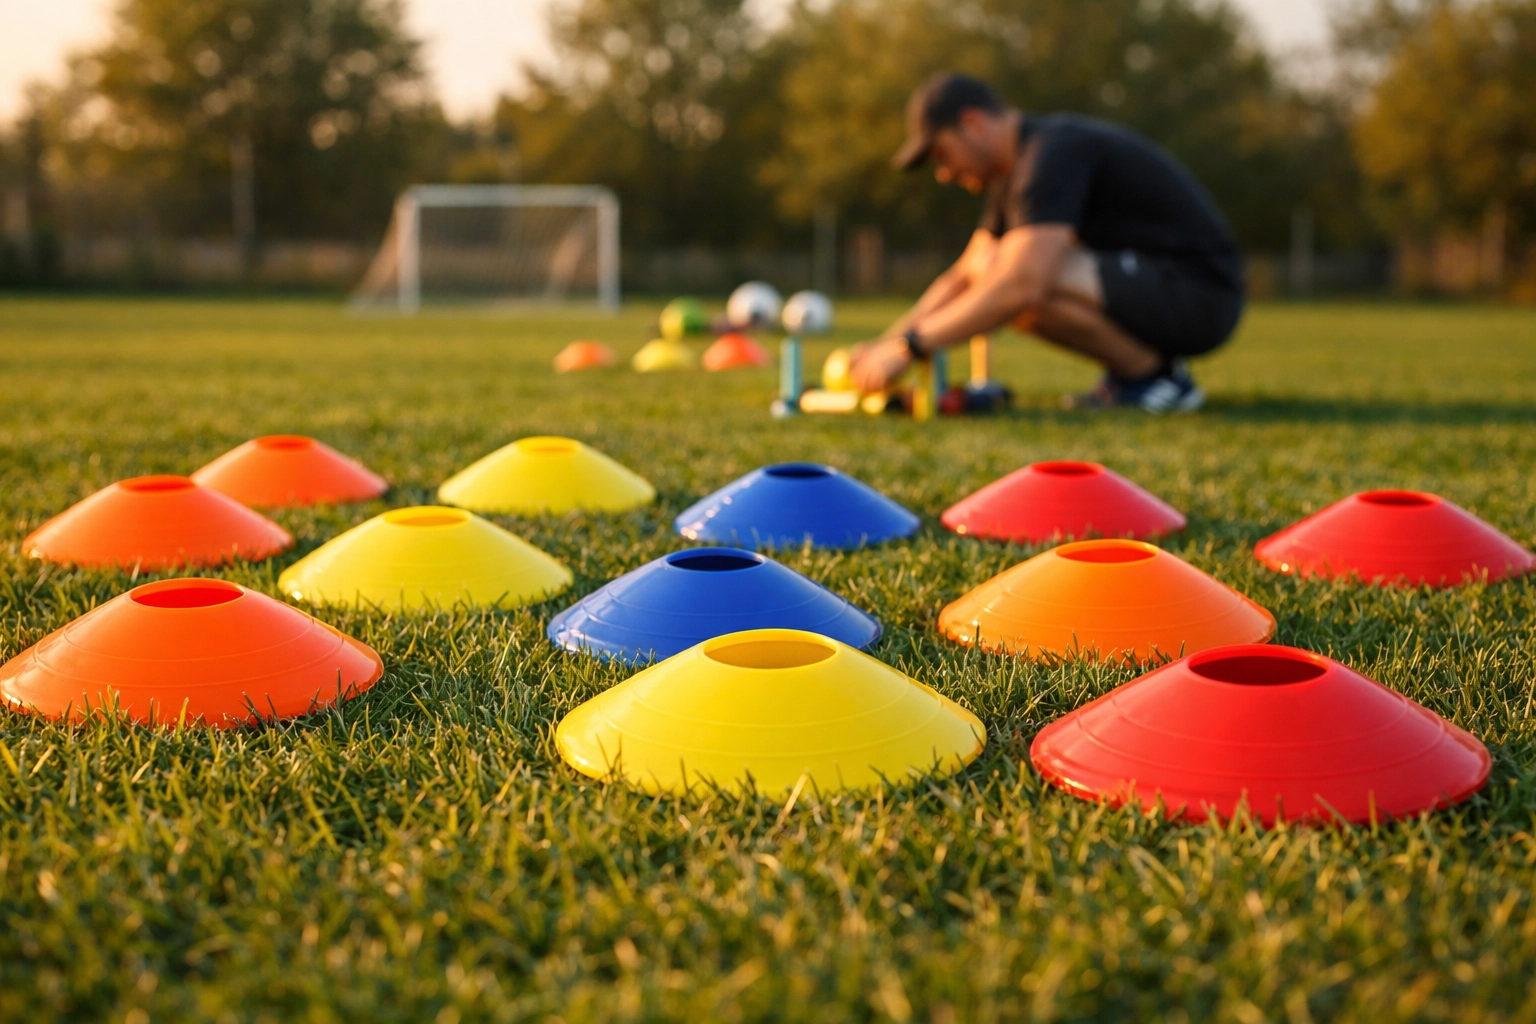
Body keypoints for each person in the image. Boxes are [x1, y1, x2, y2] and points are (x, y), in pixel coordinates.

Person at [849, 73, 1246, 412]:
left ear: (972, 123)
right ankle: (1140, 379)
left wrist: (909, 349)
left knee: (1014, 279)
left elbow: (1020, 283)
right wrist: (885, 344)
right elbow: (964, 274)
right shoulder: (1013, 170)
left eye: (941, 154)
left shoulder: (1051, 153)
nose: (945, 173)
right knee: (997, 275)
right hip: (1160, 286)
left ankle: (1158, 379)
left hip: (1202, 293)